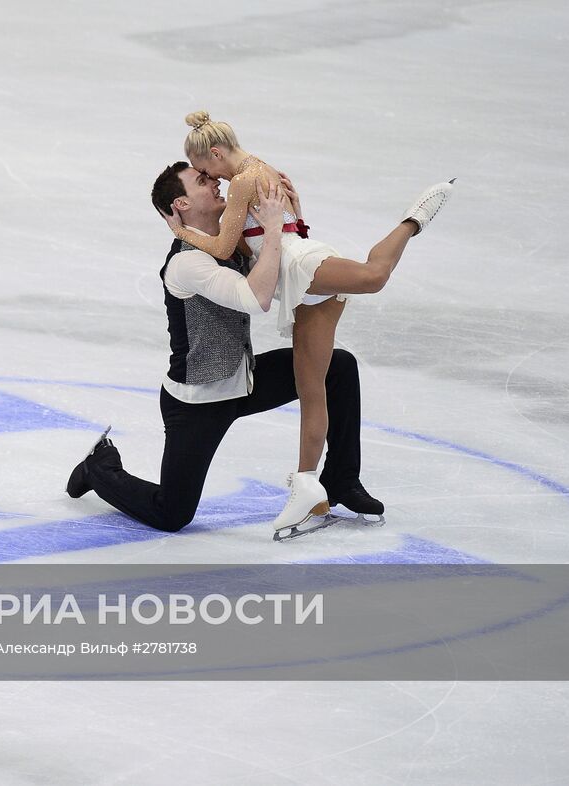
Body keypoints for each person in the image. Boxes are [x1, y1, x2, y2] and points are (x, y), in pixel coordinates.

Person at [160, 111, 453, 537]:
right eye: (204, 179)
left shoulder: (244, 179)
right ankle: (307, 486)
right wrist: (290, 216)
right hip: (294, 276)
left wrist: (184, 234)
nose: (214, 181)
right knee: (312, 387)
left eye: (207, 171)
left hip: (299, 268)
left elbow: (227, 246)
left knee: (373, 276)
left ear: (217, 153)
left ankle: (413, 220)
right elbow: (265, 234)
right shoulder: (259, 170)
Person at [66, 164, 379, 540]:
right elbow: (256, 297)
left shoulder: (229, 244)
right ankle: (99, 466)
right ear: (180, 203)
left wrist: (296, 219)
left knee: (338, 367)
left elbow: (290, 268)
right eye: (202, 181)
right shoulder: (187, 262)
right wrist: (275, 228)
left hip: (243, 383)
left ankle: (342, 479)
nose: (216, 182)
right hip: (198, 403)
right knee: (172, 514)